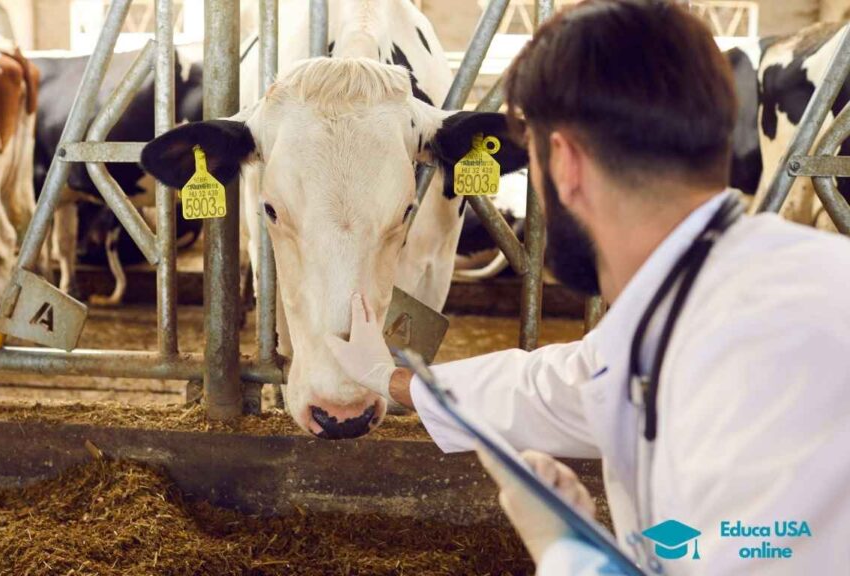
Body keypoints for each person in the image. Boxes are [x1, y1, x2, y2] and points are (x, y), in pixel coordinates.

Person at [325, 0, 850, 573]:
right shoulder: (712, 294)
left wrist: (572, 558)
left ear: (564, 161)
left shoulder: (768, 341)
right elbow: (567, 385)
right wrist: (395, 380)